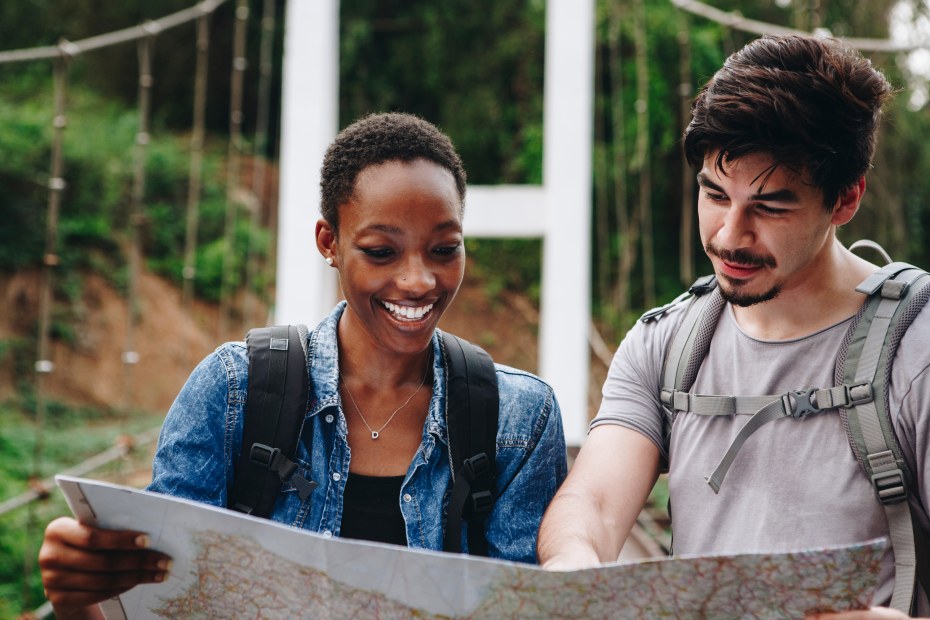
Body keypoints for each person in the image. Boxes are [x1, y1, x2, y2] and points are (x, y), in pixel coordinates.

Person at [39, 112, 568, 617]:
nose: (418, 281)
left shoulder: (519, 419)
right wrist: (77, 597)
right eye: (382, 252)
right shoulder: (234, 391)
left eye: (444, 249)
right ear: (329, 243)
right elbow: (160, 605)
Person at [537, 34, 929, 618]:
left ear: (846, 200)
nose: (729, 235)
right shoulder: (666, 343)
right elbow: (592, 503)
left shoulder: (917, 346)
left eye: (770, 207)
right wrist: (573, 568)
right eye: (714, 194)